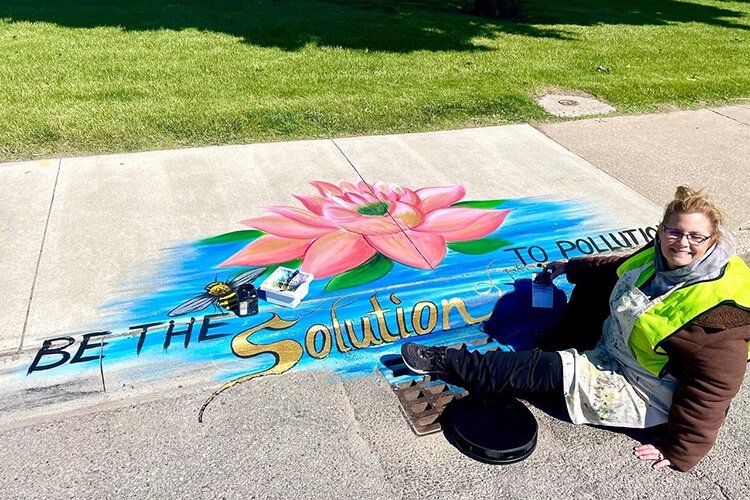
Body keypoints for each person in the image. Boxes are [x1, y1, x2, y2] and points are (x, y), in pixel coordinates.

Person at [401, 186, 750, 472]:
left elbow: (713, 390)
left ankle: (452, 362)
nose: (682, 242)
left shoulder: (720, 314)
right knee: (597, 287)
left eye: (695, 236)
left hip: (645, 389)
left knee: (539, 372)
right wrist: (570, 267)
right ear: (660, 231)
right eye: (674, 231)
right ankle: (556, 353)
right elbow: (616, 267)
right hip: (617, 351)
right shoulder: (659, 255)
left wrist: (681, 452)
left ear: (713, 239)